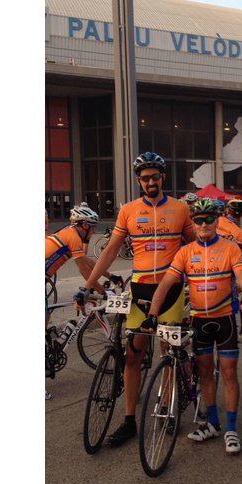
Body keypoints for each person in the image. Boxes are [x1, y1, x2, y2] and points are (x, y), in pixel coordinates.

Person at [81, 151, 196, 447]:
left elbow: (196, 246)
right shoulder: (129, 211)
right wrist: (88, 285)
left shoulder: (181, 209)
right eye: (145, 179)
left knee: (168, 351)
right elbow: (109, 251)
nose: (150, 182)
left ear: (163, 178)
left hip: (170, 290)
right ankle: (130, 419)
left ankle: (167, 406)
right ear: (138, 181)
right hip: (140, 290)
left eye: (154, 177)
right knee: (133, 355)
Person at [142, 199, 242, 454]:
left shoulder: (230, 248)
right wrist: (152, 313)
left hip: (224, 319)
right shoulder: (185, 252)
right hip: (200, 321)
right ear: (193, 224)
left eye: (208, 219)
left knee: (228, 373)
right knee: (205, 373)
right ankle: (213, 423)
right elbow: (166, 283)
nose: (203, 224)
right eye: (199, 220)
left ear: (217, 221)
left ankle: (231, 429)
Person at [46, 204, 119, 285]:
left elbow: (86, 260)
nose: (94, 231)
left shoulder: (69, 230)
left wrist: (110, 276)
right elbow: (84, 270)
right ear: (85, 225)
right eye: (93, 227)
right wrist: (102, 292)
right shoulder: (74, 238)